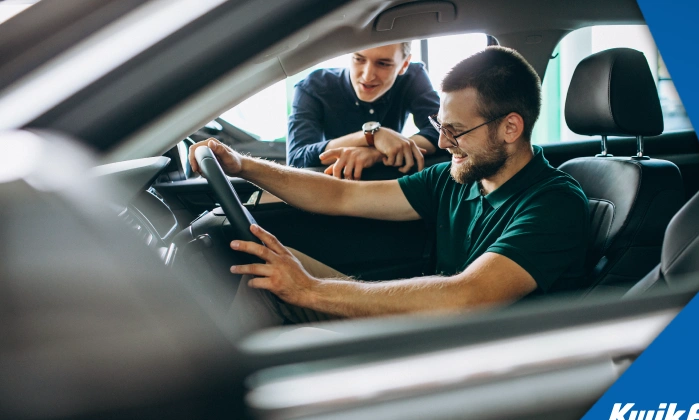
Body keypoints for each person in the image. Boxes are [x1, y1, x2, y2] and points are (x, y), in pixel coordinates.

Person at [190, 46, 589, 329]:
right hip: (427, 326)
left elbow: (467, 297)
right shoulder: (454, 180)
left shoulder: (554, 202)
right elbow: (340, 194)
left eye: (457, 131)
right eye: (440, 128)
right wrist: (242, 165)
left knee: (279, 285)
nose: (444, 143)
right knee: (268, 267)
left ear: (511, 128)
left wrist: (311, 290)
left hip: (470, 354)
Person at [287, 42, 440, 180]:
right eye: (359, 59)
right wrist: (371, 136)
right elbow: (296, 159)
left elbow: (443, 131)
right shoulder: (313, 86)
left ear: (404, 64)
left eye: (383, 64)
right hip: (333, 187)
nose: (367, 76)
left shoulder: (413, 76)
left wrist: (377, 153)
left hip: (391, 184)